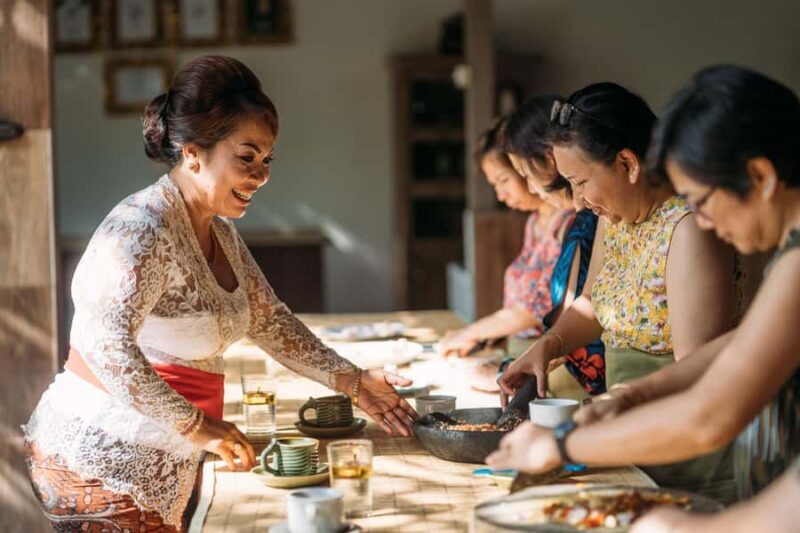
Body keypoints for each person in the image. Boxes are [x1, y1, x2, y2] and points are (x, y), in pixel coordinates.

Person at [23, 55, 416, 532]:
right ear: (192, 153)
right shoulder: (139, 230)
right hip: (101, 458)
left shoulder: (219, 230)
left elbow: (269, 319)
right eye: (246, 157)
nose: (261, 174)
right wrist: (197, 426)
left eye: (267, 159)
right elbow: (104, 345)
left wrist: (354, 382)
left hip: (170, 453)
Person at [488, 66, 799, 506]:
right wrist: (631, 394)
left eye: (702, 201)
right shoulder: (790, 253)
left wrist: (560, 446)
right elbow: (740, 343)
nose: (703, 220)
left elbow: (709, 413)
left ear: (762, 178)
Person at [438, 117, 559, 360]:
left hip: (549, 362)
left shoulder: (568, 222)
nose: (501, 195)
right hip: (520, 355)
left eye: (504, 180)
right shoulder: (535, 221)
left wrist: (472, 331)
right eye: (494, 185)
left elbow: (535, 309)